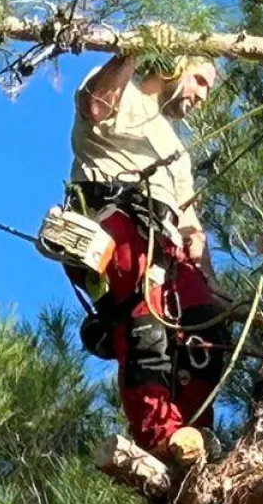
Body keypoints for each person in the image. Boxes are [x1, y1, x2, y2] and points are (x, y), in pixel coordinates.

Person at [66, 50, 229, 465]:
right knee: (145, 323)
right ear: (174, 65)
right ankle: (159, 436)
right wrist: (135, 49)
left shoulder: (178, 152)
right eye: (199, 80)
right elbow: (95, 105)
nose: (202, 96)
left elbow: (190, 224)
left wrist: (210, 282)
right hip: (118, 225)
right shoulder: (121, 94)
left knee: (207, 324)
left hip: (168, 243)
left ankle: (195, 433)